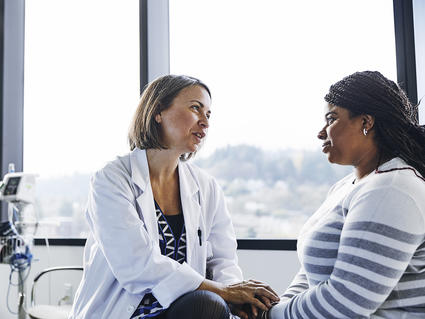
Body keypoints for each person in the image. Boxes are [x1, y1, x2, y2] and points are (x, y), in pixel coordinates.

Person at [69, 74, 279, 319]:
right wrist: (224, 291)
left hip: (181, 310)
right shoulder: (112, 179)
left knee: (221, 305)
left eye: (208, 114)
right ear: (158, 111)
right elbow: (136, 265)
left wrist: (235, 294)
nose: (205, 122)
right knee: (208, 303)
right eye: (195, 108)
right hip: (123, 312)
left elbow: (224, 260)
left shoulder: (206, 186)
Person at [262, 71, 425, 318]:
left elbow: (345, 304)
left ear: (366, 122)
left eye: (331, 118)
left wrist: (269, 316)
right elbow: (309, 274)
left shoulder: (392, 190)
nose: (320, 132)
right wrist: (276, 308)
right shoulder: (347, 187)